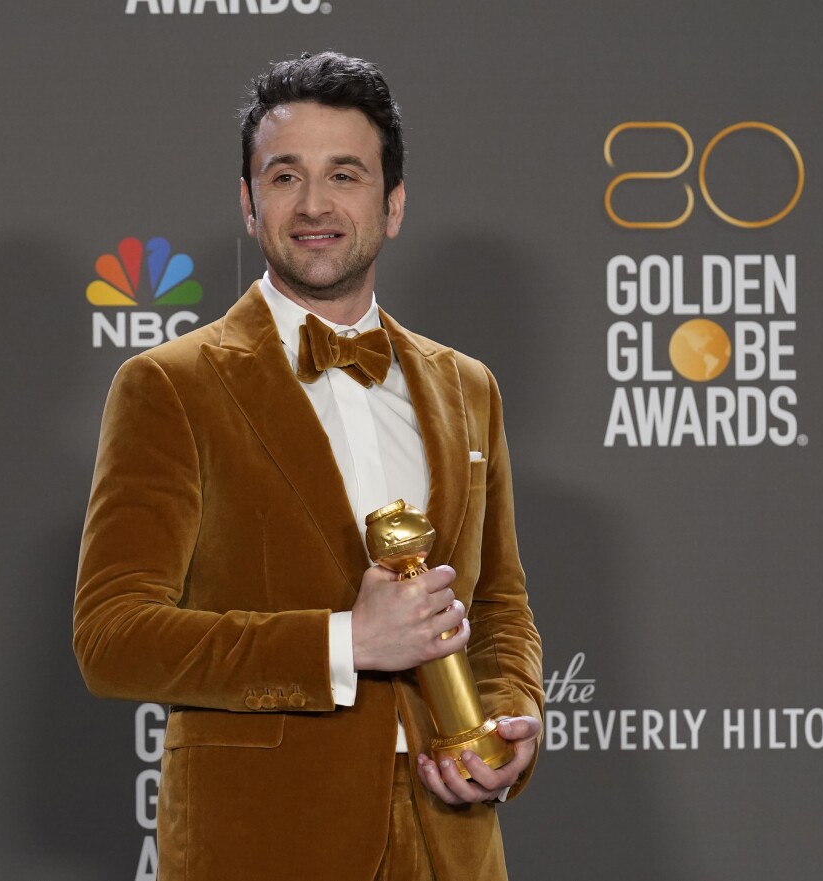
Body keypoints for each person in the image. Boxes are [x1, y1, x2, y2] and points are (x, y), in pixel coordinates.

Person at [75, 51, 543, 881]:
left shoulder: (468, 387)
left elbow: (499, 605)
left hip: (453, 842)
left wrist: (507, 720)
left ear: (393, 204)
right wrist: (346, 641)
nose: (315, 204)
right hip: (262, 845)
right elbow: (113, 637)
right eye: (286, 176)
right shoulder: (170, 386)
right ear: (249, 202)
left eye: (344, 175)